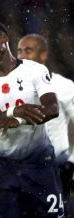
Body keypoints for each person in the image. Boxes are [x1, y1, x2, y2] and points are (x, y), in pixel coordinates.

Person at [0, 20, 64, 217]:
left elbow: (52, 108)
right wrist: (14, 111)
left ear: (4, 38)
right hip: (5, 167)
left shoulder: (34, 70)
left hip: (39, 163)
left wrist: (18, 120)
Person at [17, 33, 74, 216]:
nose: (22, 56)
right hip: (21, 169)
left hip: (57, 169)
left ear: (43, 56)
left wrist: (72, 162)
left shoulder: (63, 86)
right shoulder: (11, 89)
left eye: (28, 50)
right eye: (19, 51)